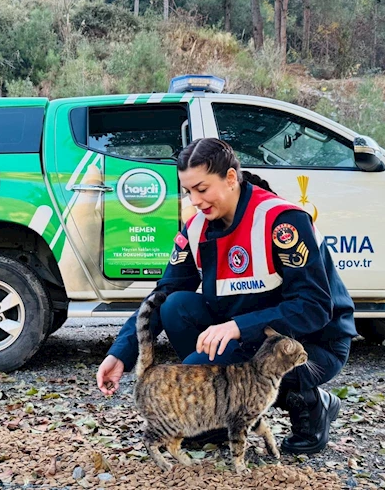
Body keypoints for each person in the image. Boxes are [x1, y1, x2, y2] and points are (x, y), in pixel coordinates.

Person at [95, 138, 358, 455]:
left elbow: (313, 309)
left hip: (314, 343)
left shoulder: (282, 222)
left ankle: (313, 405)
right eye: (188, 191)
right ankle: (223, 418)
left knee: (194, 382)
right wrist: (121, 354)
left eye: (202, 189)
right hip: (247, 336)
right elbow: (162, 296)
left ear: (231, 178)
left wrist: (236, 327)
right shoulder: (196, 228)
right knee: (177, 305)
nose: (194, 200)